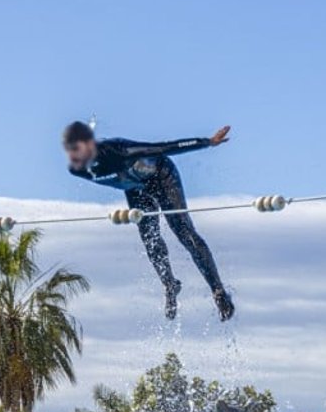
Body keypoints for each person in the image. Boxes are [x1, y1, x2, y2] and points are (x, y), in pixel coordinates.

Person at [63, 120, 236, 321]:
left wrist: (207, 142)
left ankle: (218, 292)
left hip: (161, 176)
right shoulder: (76, 170)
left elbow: (164, 147)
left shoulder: (118, 149)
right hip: (135, 188)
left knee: (183, 232)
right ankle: (170, 284)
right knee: (150, 241)